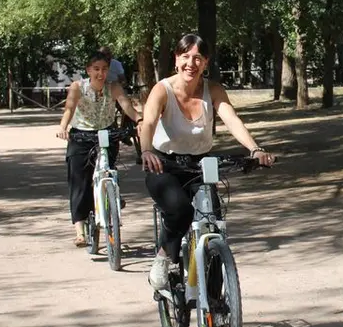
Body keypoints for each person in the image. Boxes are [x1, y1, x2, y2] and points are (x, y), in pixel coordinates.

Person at [139, 34, 275, 290]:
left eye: (198, 58)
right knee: (181, 210)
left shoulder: (212, 90)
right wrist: (146, 151)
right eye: (186, 57)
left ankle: (215, 301)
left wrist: (255, 149)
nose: (191, 63)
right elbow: (148, 123)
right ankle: (163, 256)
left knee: (213, 224)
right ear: (176, 59)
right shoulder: (163, 90)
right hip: (163, 164)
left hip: (200, 165)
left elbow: (232, 119)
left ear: (205, 63)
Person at [56, 51, 143, 246]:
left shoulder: (113, 87)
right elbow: (69, 109)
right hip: (81, 135)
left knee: (108, 169)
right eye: (96, 69)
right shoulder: (78, 87)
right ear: (88, 70)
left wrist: (139, 119)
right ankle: (80, 231)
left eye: (104, 69)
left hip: (107, 134)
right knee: (79, 181)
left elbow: (127, 106)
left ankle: (112, 193)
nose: (100, 73)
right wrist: (63, 127)